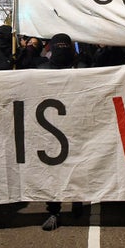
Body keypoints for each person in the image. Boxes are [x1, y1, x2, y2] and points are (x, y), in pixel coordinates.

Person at [36, 33, 85, 231]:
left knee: (77, 167)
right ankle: (53, 210)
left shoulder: (81, 70)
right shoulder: (41, 70)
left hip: (76, 126)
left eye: (66, 46)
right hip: (50, 131)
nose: (62, 50)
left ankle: (77, 198)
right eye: (59, 46)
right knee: (52, 173)